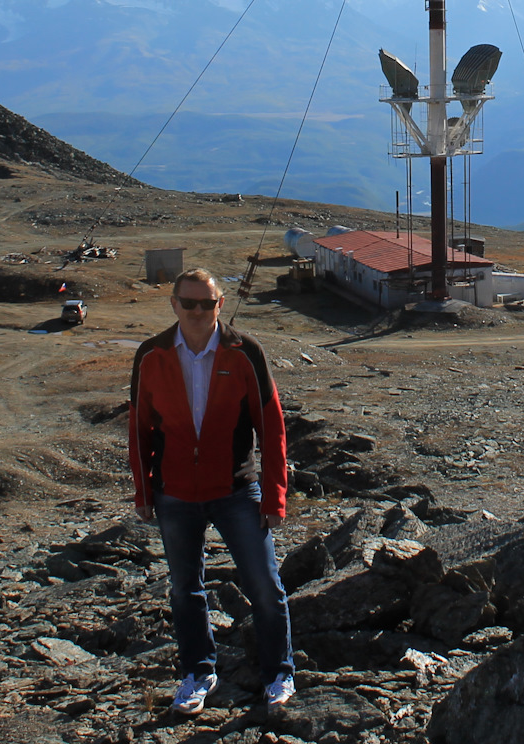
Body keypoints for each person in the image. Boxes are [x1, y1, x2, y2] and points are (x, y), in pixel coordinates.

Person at [127, 266, 294, 716]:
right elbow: (139, 430)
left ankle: (279, 672)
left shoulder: (244, 352)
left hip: (237, 490)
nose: (198, 311)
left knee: (263, 583)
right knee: (185, 589)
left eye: (207, 303)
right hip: (175, 493)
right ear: (174, 304)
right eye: (189, 303)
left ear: (220, 304)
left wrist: (275, 495)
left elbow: (271, 426)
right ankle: (198, 674)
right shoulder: (151, 355)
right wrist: (144, 493)